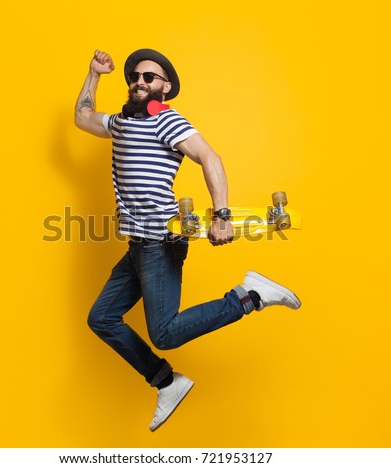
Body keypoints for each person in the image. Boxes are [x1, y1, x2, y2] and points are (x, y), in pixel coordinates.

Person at [74, 49, 301, 431]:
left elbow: (209, 157)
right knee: (102, 318)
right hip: (138, 243)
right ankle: (167, 382)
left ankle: (251, 296)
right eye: (135, 77)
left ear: (164, 87)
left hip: (160, 240)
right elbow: (82, 117)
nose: (140, 81)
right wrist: (94, 74)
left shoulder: (164, 118)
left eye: (150, 77)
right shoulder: (122, 123)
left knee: (164, 333)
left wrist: (222, 215)